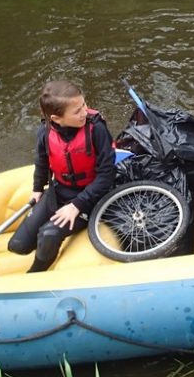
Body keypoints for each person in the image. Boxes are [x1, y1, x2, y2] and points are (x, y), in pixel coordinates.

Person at [9, 80, 115, 273]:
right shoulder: (45, 131)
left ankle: (34, 275)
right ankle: (45, 245)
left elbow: (107, 175)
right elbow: (41, 161)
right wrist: (37, 189)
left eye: (83, 104)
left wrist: (76, 206)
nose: (84, 112)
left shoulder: (96, 129)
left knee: (48, 234)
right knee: (18, 245)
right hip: (59, 191)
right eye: (77, 111)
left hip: (90, 196)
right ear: (56, 118)